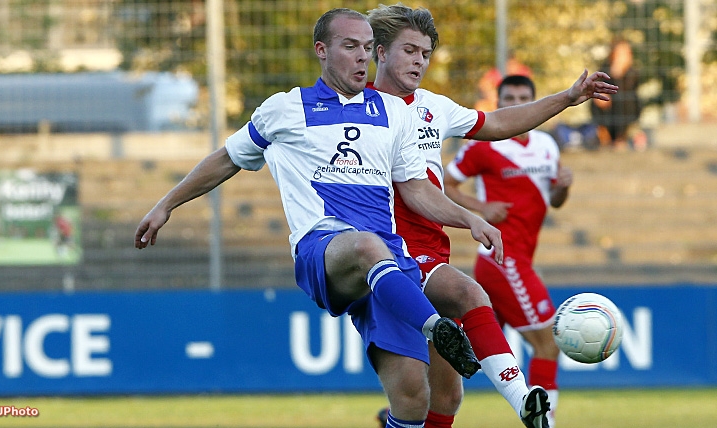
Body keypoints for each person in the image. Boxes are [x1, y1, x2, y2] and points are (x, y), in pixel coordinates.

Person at [135, 9, 506, 428]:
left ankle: (423, 345)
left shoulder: (393, 112)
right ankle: (437, 326)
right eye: (350, 47)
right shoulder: (286, 109)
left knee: (412, 395)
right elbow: (226, 159)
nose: (362, 58)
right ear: (322, 50)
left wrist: (469, 217)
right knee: (367, 244)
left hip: (387, 265)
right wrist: (165, 204)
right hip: (323, 251)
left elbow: (417, 190)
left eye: (367, 48)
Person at [366, 4, 617, 428]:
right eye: (409, 50)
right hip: (392, 254)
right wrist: (473, 215)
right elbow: (414, 190)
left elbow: (498, 123)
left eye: (425, 53)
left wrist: (568, 98)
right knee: (469, 295)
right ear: (381, 52)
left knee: (443, 394)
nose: (418, 61)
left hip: (432, 252)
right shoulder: (357, 108)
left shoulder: (432, 107)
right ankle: (527, 404)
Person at [444, 75, 574, 428]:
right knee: (547, 344)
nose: (517, 102)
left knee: (466, 355)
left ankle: (410, 413)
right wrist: (480, 207)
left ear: (534, 101)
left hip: (521, 259)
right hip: (503, 260)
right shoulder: (483, 146)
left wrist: (564, 188)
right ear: (499, 101)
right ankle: (544, 421)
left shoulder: (547, 145)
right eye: (510, 97)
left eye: (524, 97)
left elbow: (554, 202)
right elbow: (444, 183)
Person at [590, 38, 642, 150]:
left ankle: (621, 137)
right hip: (608, 113)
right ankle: (604, 134)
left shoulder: (632, 73)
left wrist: (618, 75)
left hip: (626, 114)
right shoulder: (604, 69)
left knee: (625, 99)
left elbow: (629, 92)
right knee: (599, 98)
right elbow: (596, 87)